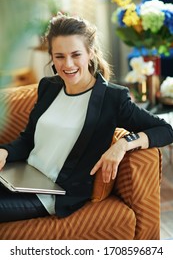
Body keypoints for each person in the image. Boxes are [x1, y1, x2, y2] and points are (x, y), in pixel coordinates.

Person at [0, 13, 173, 223]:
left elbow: (165, 130)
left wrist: (122, 145)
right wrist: (5, 152)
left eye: (76, 54)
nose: (68, 64)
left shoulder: (112, 98)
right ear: (52, 57)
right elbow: (28, 140)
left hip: (54, 195)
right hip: (22, 178)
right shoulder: (49, 87)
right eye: (60, 56)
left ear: (90, 53)